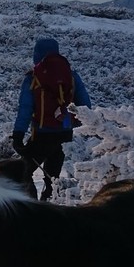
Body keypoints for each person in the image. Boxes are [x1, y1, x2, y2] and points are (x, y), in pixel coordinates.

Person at [11, 37, 91, 201]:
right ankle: (49, 205)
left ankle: (32, 207)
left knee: (23, 173)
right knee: (52, 178)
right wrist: (71, 121)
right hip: (65, 135)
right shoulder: (72, 76)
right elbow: (86, 106)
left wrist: (18, 134)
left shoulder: (33, 78)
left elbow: (25, 109)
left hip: (41, 134)